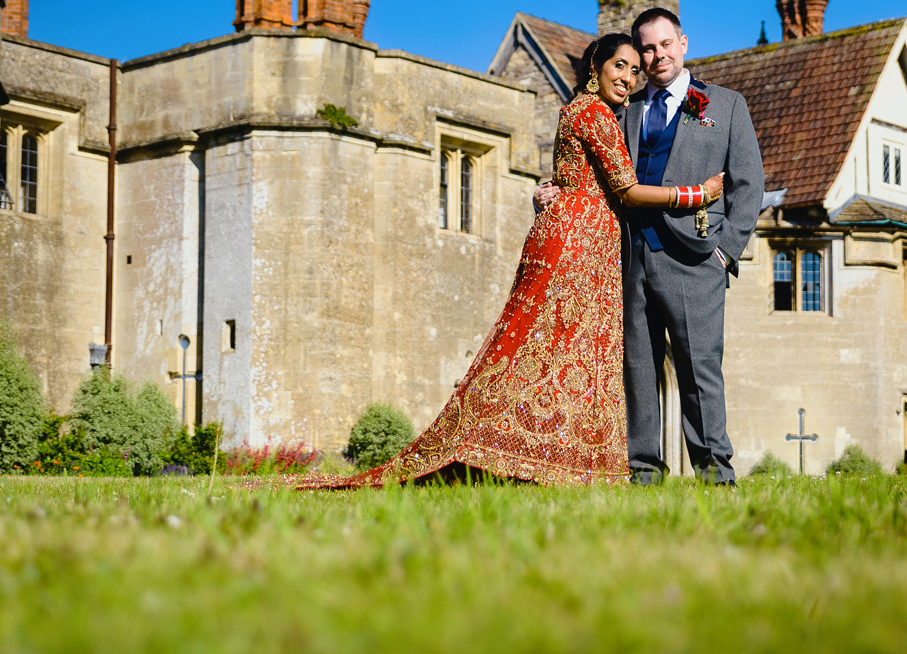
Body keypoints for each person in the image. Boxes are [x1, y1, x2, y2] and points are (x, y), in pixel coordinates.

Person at [304, 33, 723, 487]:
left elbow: (580, 175)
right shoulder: (596, 114)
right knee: (555, 349)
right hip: (577, 243)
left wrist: (553, 192)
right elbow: (626, 189)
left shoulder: (582, 112)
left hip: (577, 236)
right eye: (619, 66)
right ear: (595, 66)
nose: (627, 77)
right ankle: (533, 458)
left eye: (633, 70)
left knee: (549, 349)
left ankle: (534, 457)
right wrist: (697, 194)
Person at [618, 7, 764, 484]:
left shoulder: (724, 105)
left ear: (683, 43)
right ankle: (643, 471)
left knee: (699, 369)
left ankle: (714, 473)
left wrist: (726, 251)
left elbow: (749, 185)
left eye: (665, 44)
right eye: (647, 48)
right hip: (632, 256)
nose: (657, 55)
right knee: (638, 368)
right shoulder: (627, 111)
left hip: (696, 258)